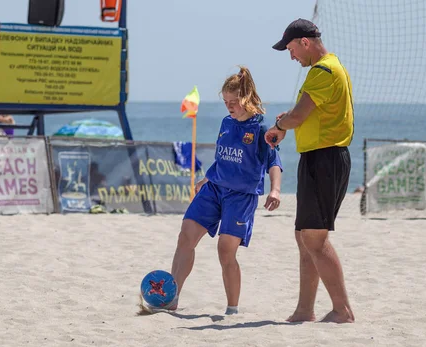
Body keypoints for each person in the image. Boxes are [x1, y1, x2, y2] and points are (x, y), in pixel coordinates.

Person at [142, 66, 283, 315]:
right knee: (185, 235)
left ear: (247, 99)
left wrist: (275, 190)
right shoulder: (226, 122)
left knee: (225, 250)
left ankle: (232, 309)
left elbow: (273, 161)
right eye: (226, 101)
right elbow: (223, 157)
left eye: (234, 101)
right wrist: (206, 178)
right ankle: (172, 299)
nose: (229, 106)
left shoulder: (261, 129)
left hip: (241, 196)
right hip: (214, 188)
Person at [265, 19, 355, 323]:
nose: (291, 57)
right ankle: (305, 310)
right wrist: (287, 122)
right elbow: (304, 116)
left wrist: (280, 125)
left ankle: (342, 310)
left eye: (291, 49)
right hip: (318, 158)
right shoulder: (331, 66)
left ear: (305, 42)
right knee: (303, 237)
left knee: (314, 239)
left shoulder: (323, 71)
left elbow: (299, 114)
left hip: (326, 160)